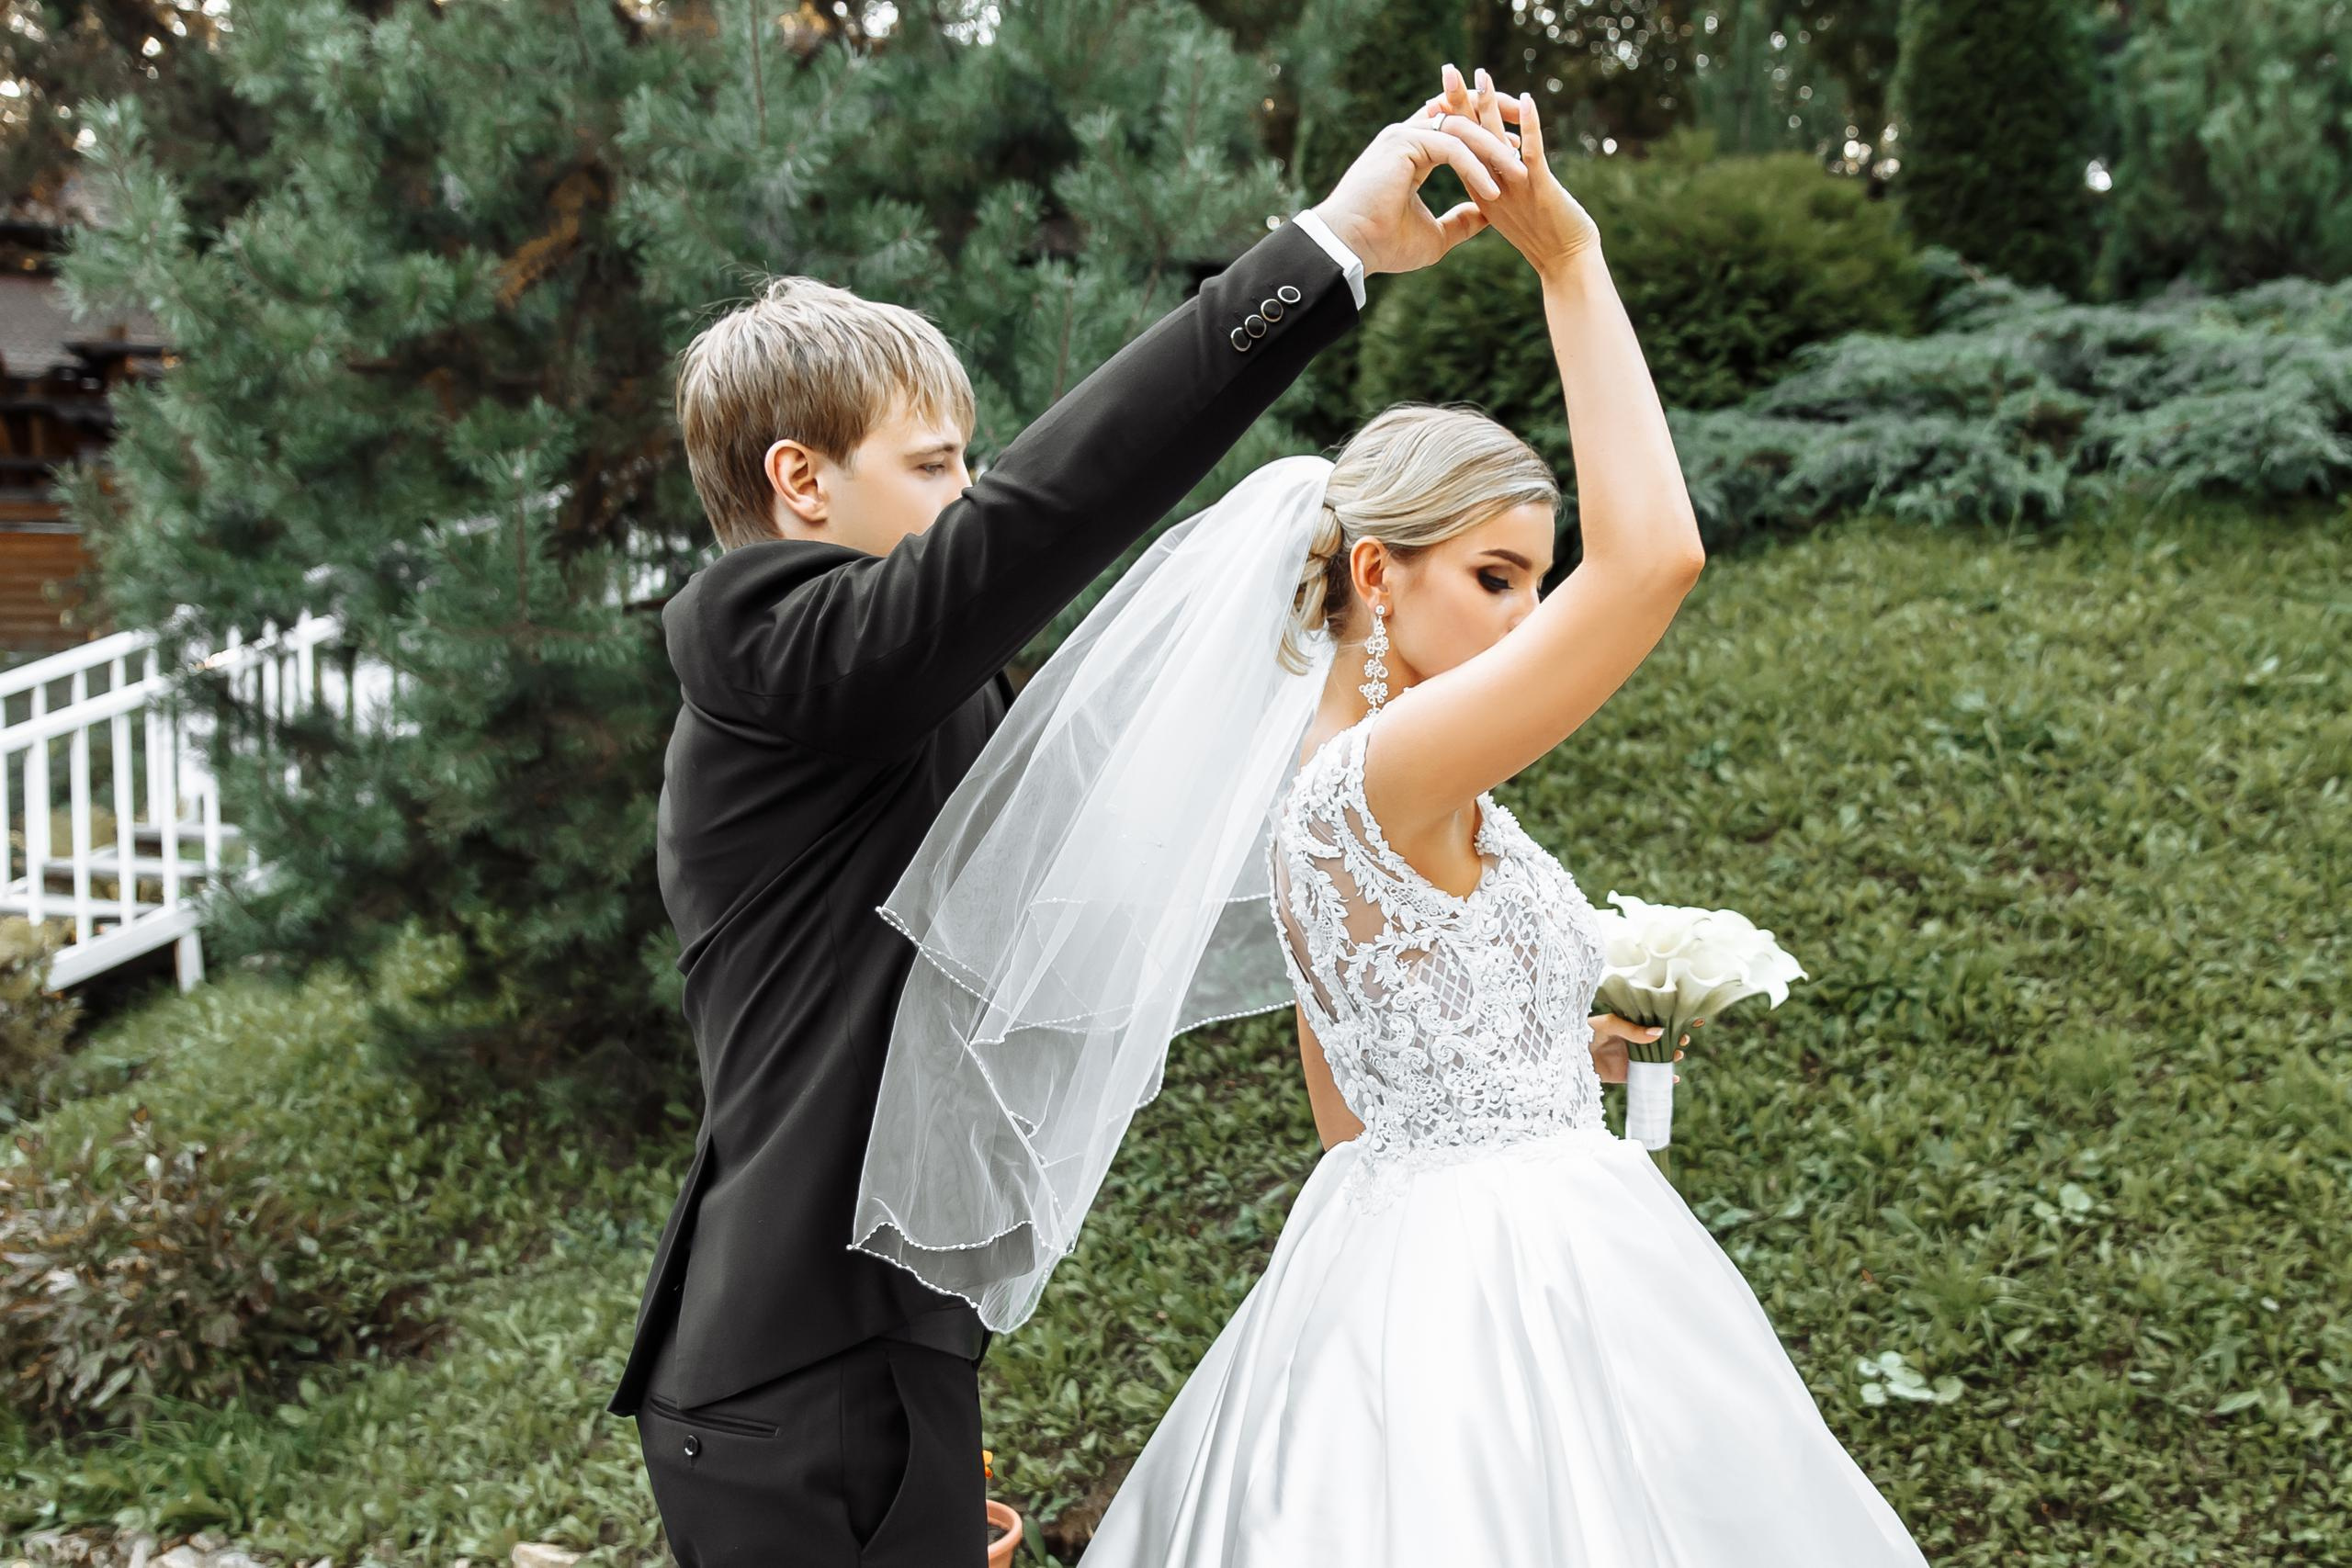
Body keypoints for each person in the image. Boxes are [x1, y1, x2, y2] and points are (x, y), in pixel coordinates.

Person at [850, 66, 1935, 1565]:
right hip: (1517, 1276)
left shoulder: (1333, 789)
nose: (1529, 617)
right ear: (1377, 576)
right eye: (1494, 577)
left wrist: (1551, 1053)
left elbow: (1354, 1112)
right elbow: (1657, 562)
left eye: (1538, 581)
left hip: (1403, 1260)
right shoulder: (1378, 778)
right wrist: (1571, 255)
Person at [611, 78, 1517, 1567]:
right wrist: (1329, 250)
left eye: (968, 460)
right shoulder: (776, 655)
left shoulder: (885, 700)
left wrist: (1483, 990)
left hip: (865, 1367)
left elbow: (1116, 906)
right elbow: (1039, 521)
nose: (969, 495)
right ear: (800, 481)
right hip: (801, 1378)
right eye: (934, 466)